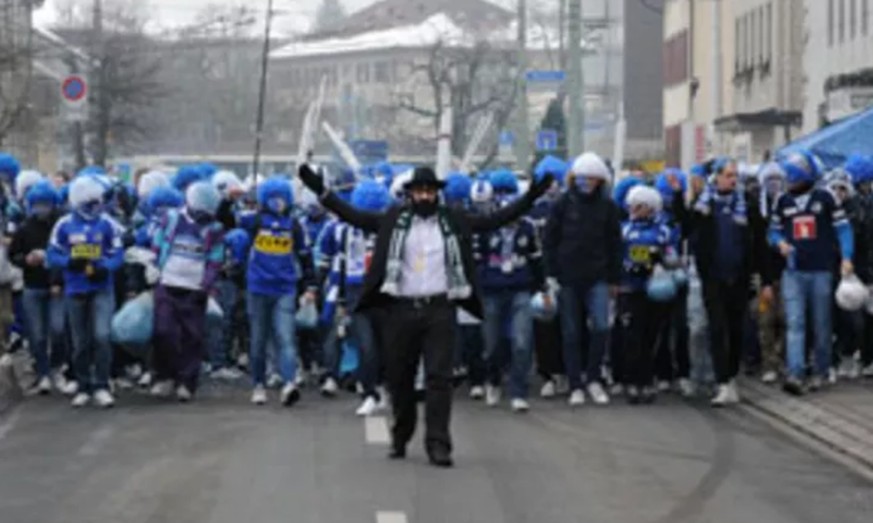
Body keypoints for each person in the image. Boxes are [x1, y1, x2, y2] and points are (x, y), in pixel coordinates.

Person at [297, 163, 553, 468]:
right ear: (410, 195)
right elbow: (354, 216)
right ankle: (401, 433)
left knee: (438, 379)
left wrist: (530, 198)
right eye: (419, 191)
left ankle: (438, 443)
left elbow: (494, 221)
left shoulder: (453, 221)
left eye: (429, 191)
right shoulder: (394, 221)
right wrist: (322, 192)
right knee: (400, 378)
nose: (424, 196)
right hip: (401, 308)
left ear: (437, 194)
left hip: (439, 308)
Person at [769, 151, 853, 396]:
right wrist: (779, 244)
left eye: (794, 179)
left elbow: (843, 229)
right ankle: (796, 372)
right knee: (795, 323)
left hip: (821, 271)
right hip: (793, 272)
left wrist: (846, 257)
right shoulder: (782, 201)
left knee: (821, 323)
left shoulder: (825, 198)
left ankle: (822, 369)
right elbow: (772, 232)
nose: (790, 183)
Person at [543, 152, 622, 406]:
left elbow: (615, 244)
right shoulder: (562, 205)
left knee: (600, 326)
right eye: (581, 178)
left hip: (598, 276)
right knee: (570, 332)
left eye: (591, 178)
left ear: (600, 181)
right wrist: (551, 274)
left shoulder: (608, 207)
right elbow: (549, 242)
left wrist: (614, 278)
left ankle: (594, 378)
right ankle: (575, 383)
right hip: (567, 278)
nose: (585, 183)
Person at [47, 175, 124, 408]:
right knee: (80, 342)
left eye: (96, 202)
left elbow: (118, 253)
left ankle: (101, 384)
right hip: (75, 289)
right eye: (90, 203)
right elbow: (52, 254)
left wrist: (105, 268)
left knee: (102, 336)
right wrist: (69, 262)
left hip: (102, 288)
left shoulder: (108, 223)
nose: (95, 207)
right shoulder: (63, 225)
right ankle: (83, 385)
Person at [238, 176, 315, 406]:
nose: (277, 202)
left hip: (285, 288)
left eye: (281, 198)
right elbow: (232, 223)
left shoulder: (294, 225)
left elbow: (305, 255)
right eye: (272, 198)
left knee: (286, 338)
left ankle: (289, 382)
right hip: (258, 287)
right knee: (258, 340)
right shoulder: (255, 222)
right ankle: (258, 384)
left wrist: (310, 286)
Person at [319, 180, 390, 415]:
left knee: (384, 345)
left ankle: (382, 386)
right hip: (356, 293)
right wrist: (336, 298)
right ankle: (369, 392)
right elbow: (338, 263)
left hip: (384, 293)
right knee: (366, 345)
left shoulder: (389, 230)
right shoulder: (344, 230)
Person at [150, 181, 225, 402]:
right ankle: (164, 377)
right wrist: (153, 267)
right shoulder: (172, 219)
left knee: (193, 336)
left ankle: (187, 382)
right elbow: (157, 243)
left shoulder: (215, 229)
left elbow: (215, 259)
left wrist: (207, 284)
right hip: (167, 283)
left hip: (195, 289)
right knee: (164, 331)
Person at [692, 158, 756, 406]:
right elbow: (690, 230)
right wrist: (682, 196)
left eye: (735, 175)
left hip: (738, 277)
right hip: (713, 277)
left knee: (736, 328)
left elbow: (756, 239)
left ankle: (732, 375)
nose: (732, 179)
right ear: (716, 177)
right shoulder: (703, 205)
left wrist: (761, 275)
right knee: (717, 328)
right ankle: (722, 381)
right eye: (728, 175)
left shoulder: (746, 205)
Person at [478, 170, 544, 412]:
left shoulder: (529, 228)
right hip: (492, 290)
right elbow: (477, 260)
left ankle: (519, 390)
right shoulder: (487, 227)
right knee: (492, 343)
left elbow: (537, 260)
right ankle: (492, 380)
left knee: (522, 341)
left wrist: (543, 286)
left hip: (520, 289)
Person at [615, 184, 675, 404]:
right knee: (632, 337)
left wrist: (660, 260)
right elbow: (616, 257)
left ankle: (647, 380)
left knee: (650, 337)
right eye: (633, 206)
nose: (635, 210)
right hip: (630, 289)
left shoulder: (662, 231)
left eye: (640, 206)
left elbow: (672, 256)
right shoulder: (623, 230)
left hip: (654, 291)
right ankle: (631, 381)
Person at [9, 180, 68, 394]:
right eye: (37, 204)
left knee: (58, 329)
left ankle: (57, 367)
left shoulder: (61, 225)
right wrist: (26, 260)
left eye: (45, 203)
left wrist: (57, 277)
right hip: (32, 285)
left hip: (57, 288)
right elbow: (13, 255)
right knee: (37, 334)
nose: (41, 208)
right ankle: (43, 372)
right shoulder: (25, 228)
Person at [755, 162, 788, 384]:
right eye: (769, 180)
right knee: (765, 321)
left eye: (778, 180)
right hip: (762, 275)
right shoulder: (756, 209)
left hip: (788, 273)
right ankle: (768, 363)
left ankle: (782, 359)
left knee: (787, 319)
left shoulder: (787, 206)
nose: (774, 185)